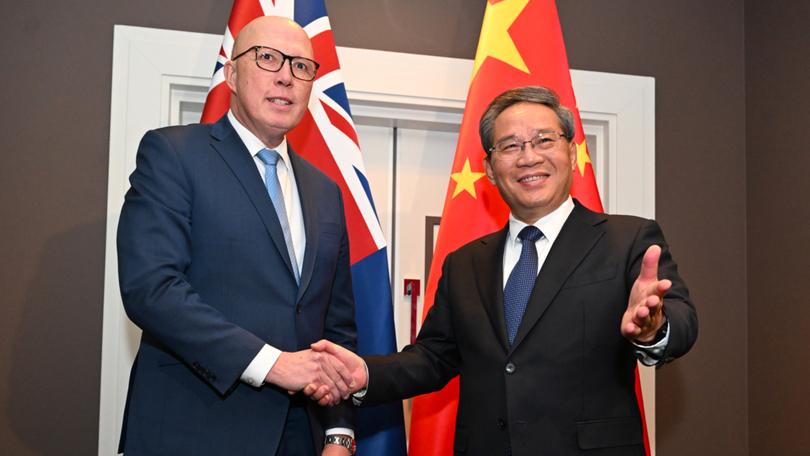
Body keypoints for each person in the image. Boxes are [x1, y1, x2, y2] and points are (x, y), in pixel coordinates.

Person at [309, 86, 698, 455]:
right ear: (490, 169)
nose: (529, 157)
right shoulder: (464, 263)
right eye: (510, 146)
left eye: (545, 140)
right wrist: (363, 373)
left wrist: (653, 330)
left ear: (572, 152)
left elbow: (682, 322)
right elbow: (432, 358)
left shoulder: (627, 238)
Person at [117, 16, 357, 456]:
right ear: (231, 73)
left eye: (302, 66)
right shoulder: (172, 154)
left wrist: (339, 432)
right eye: (267, 58)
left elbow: (336, 328)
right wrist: (273, 364)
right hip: (193, 431)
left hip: (300, 439)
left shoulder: (327, 191)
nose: (286, 75)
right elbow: (152, 289)